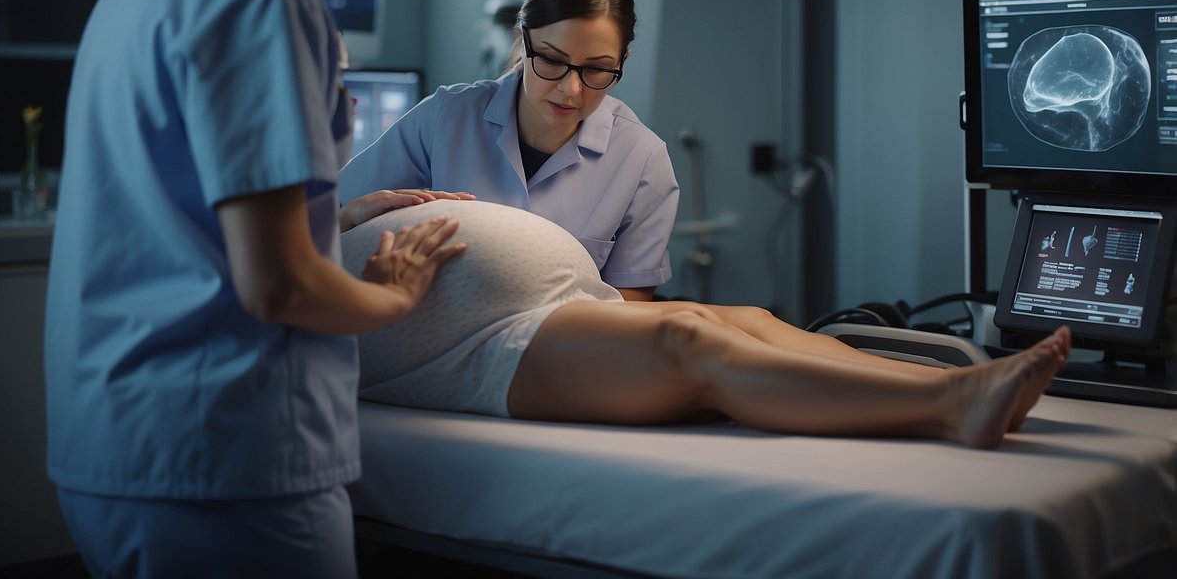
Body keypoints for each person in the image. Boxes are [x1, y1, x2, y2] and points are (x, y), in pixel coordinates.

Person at [43, 0, 469, 575]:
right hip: (222, 458)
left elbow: (174, 208)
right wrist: (394, 296)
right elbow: (278, 286)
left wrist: (330, 219)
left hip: (126, 438)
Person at [344, 200, 1072, 450]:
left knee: (739, 316)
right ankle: (949, 409)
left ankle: (965, 380)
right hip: (468, 345)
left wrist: (353, 214)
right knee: (685, 344)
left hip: (553, 298)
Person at [338, 0, 680, 301]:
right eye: (550, 59)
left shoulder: (643, 160)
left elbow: (630, 312)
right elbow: (324, 224)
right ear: (523, 39)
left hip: (564, 348)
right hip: (444, 337)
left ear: (622, 61)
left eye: (596, 69)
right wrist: (348, 215)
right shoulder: (445, 118)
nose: (570, 90)